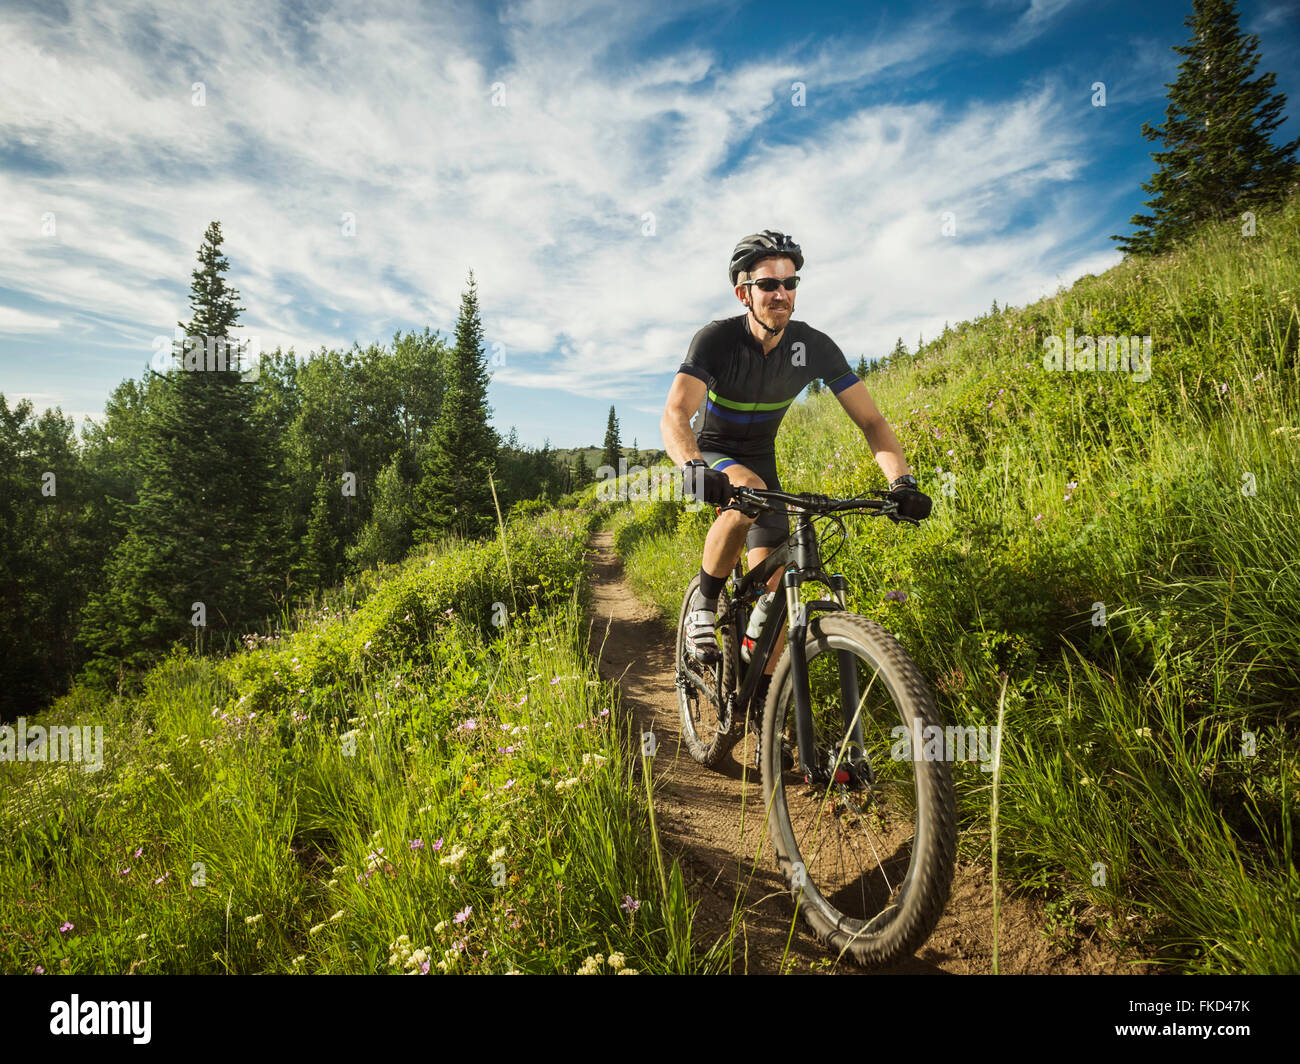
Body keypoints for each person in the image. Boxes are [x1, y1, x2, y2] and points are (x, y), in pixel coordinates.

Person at [659, 230, 930, 719]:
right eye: (768, 284)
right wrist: (692, 466)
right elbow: (676, 412)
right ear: (744, 292)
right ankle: (705, 599)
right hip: (716, 450)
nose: (781, 293)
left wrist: (901, 483)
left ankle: (759, 698)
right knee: (750, 494)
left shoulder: (813, 346)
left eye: (790, 282)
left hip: (761, 455)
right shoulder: (718, 340)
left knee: (776, 584)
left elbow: (871, 421)